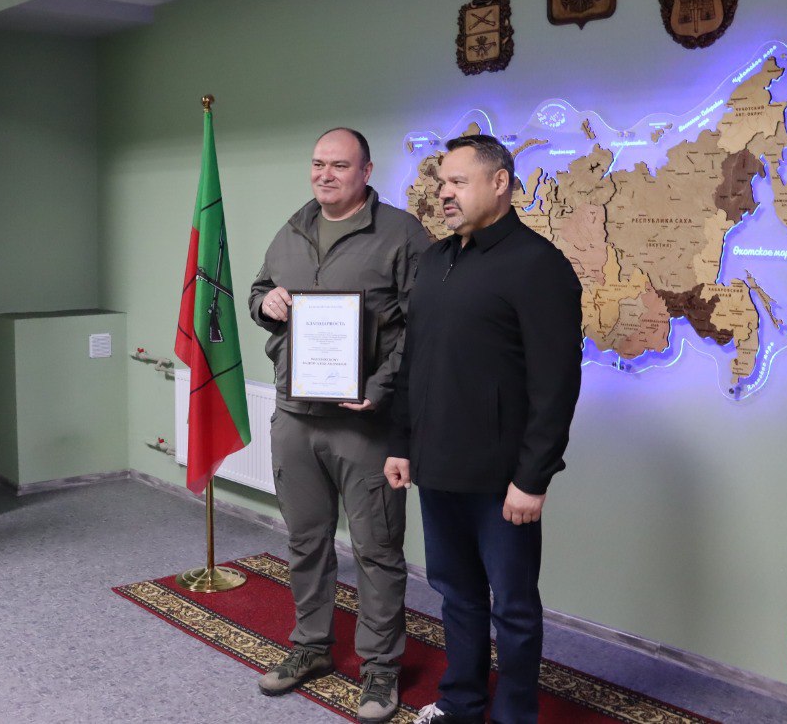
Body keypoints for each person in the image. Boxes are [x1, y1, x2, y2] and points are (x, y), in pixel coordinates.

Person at [387, 135, 583, 724]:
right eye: (442, 183)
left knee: (514, 609)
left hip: (503, 482)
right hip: (437, 468)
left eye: (458, 182)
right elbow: (413, 363)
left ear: (500, 183)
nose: (445, 193)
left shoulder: (538, 266)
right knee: (456, 595)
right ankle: (462, 703)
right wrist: (401, 444)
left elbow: (555, 386)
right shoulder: (435, 261)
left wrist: (533, 478)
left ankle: (515, 716)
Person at [249, 128, 430, 723]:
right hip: (295, 416)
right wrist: (264, 304)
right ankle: (311, 646)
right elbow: (259, 290)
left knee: (377, 550)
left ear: (367, 171)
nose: (325, 175)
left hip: (364, 424)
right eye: (318, 164)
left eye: (340, 165)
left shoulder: (401, 234)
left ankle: (381, 667)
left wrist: (382, 388)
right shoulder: (293, 228)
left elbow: (426, 327)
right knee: (306, 541)